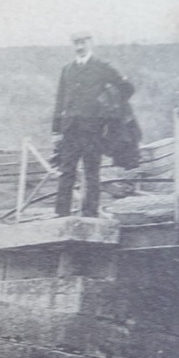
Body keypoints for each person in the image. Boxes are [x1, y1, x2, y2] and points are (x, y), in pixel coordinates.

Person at [51, 31, 134, 218]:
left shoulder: (102, 67)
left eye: (83, 43)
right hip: (70, 129)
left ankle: (90, 213)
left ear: (90, 43)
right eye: (76, 43)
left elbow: (127, 89)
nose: (79, 47)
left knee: (91, 172)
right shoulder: (67, 70)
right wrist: (56, 130)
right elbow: (59, 101)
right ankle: (61, 214)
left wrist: (108, 111)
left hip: (93, 130)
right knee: (66, 171)